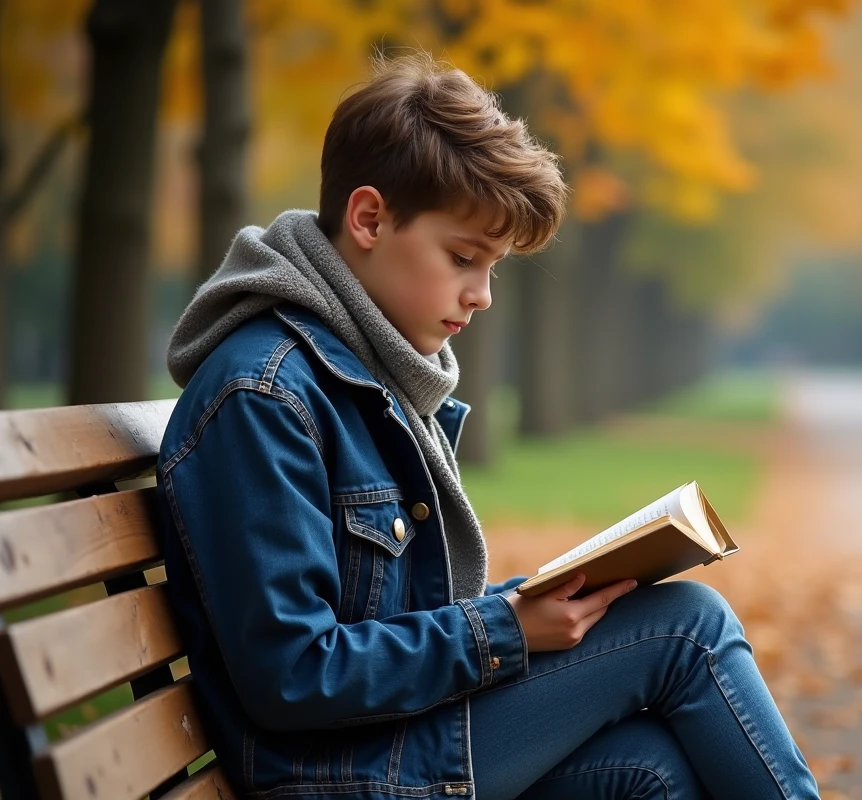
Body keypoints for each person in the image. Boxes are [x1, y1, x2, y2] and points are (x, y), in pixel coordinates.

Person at [156, 51, 821, 800]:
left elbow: (391, 620)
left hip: (384, 741)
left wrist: (531, 606)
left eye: (494, 266)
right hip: (334, 774)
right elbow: (295, 672)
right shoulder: (267, 394)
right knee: (686, 626)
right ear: (369, 219)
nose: (482, 295)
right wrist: (505, 627)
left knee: (654, 769)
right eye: (464, 257)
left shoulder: (362, 373)